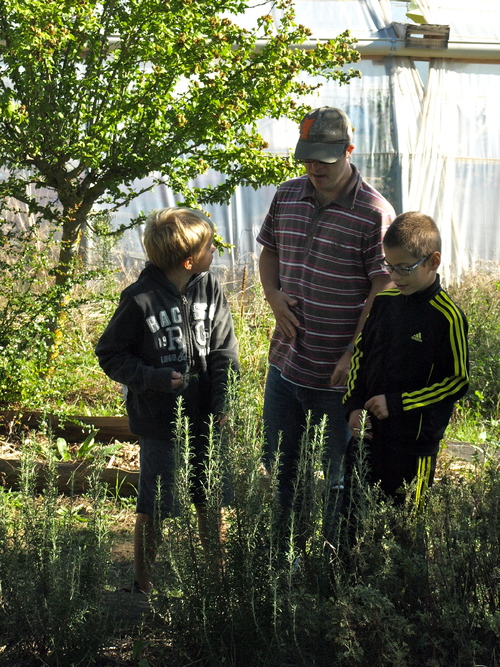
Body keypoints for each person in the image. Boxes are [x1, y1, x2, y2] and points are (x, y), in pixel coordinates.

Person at [257, 106, 396, 532]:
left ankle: (328, 573)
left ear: (349, 150)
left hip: (338, 376)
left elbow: (384, 286)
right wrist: (273, 295)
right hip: (286, 364)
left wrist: (354, 353)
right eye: (308, 157)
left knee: (335, 479)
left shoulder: (374, 212)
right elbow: (270, 250)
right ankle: (284, 560)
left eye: (325, 158)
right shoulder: (287, 195)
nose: (314, 167)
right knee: (280, 469)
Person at [95, 207, 238, 593]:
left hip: (208, 417)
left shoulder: (210, 287)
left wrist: (224, 398)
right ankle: (142, 584)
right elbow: (111, 353)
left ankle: (217, 581)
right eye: (211, 247)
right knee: (155, 505)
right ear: (189, 259)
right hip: (161, 421)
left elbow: (225, 348)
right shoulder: (139, 299)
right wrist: (152, 379)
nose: (216, 253)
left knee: (210, 498)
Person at [343, 211, 469, 505]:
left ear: (433, 261)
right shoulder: (384, 302)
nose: (394, 277)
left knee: (402, 532)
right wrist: (352, 407)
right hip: (368, 439)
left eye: (404, 268)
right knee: (351, 525)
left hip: (413, 447)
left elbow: (456, 382)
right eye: (389, 266)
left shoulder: (447, 317)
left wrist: (398, 403)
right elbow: (360, 355)